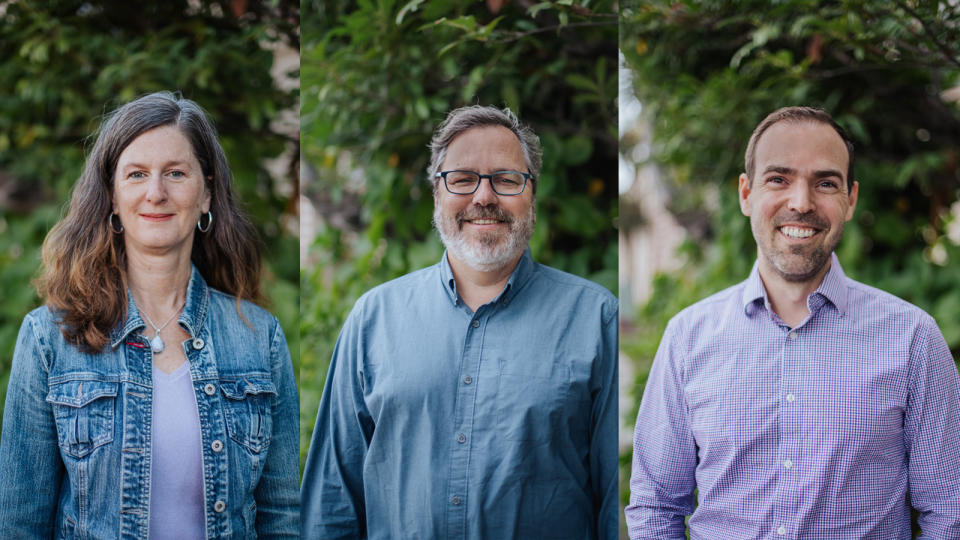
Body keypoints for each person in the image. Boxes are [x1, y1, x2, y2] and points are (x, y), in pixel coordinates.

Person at [625, 106, 960, 538]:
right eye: (778, 179)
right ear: (746, 194)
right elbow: (655, 507)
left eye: (825, 183)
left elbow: (949, 510)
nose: (801, 203)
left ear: (850, 200)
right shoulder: (687, 338)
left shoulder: (912, 338)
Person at [301, 105, 618, 539]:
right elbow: (331, 505)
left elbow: (613, 503)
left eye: (506, 179)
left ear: (532, 199)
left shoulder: (597, 320)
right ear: (437, 196)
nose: (484, 197)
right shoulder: (372, 320)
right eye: (463, 179)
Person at [0, 92, 299, 539]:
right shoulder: (50, 338)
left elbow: (282, 517)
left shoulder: (258, 338)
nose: (156, 193)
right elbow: (19, 522)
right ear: (113, 198)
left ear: (206, 194)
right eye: (137, 174)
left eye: (175, 173)